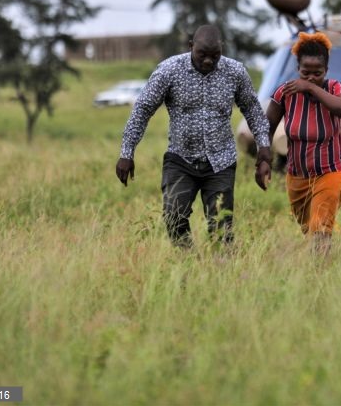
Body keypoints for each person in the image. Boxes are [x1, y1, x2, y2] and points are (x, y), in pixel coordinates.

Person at [115, 24, 271, 248]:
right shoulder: (169, 71)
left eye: (214, 55)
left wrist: (264, 148)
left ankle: (222, 265)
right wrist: (126, 153)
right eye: (202, 54)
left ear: (221, 49)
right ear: (191, 47)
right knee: (173, 216)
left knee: (221, 225)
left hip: (221, 161)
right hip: (181, 159)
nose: (208, 61)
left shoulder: (235, 72)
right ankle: (186, 260)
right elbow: (142, 110)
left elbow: (253, 110)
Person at [259, 31, 341, 255]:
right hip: (297, 177)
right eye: (305, 72)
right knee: (309, 228)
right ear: (297, 69)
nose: (311, 77)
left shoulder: (334, 89)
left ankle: (319, 272)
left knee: (320, 230)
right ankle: (331, 258)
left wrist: (312, 88)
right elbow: (267, 127)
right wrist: (263, 160)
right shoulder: (285, 93)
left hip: (330, 172)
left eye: (317, 73)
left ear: (326, 71)